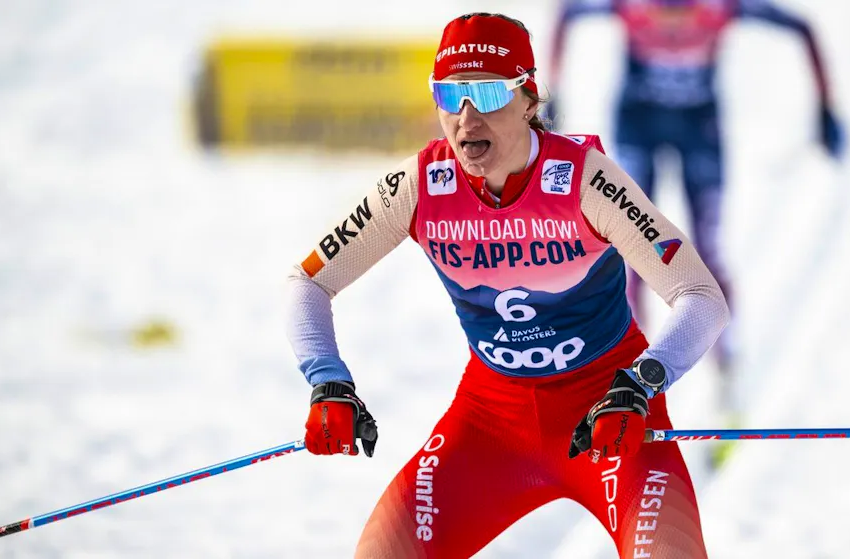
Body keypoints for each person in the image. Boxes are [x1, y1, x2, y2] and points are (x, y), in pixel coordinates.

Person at [286, 12, 729, 558]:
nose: (467, 119)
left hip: (610, 416)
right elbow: (307, 282)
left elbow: (700, 297)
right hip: (490, 424)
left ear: (528, 99)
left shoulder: (585, 180)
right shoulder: (418, 186)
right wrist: (327, 380)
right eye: (450, 95)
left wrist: (641, 383)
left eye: (488, 93)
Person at [547, 0, 844, 400]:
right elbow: (567, 13)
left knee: (707, 253)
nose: (673, 17)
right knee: (631, 254)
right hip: (645, 126)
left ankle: (726, 375)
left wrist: (825, 109)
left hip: (694, 130)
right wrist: (552, 93)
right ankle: (625, 377)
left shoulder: (718, 6)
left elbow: (801, 27)